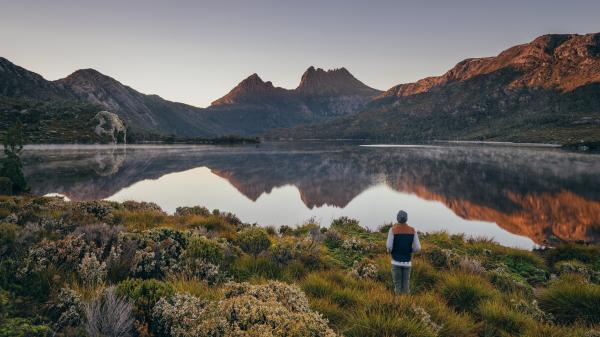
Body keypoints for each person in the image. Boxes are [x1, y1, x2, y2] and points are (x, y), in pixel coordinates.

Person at [386, 210, 420, 294]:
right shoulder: (412, 230)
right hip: (407, 262)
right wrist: (410, 250)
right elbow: (418, 248)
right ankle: (406, 304)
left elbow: (389, 247)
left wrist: (390, 251)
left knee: (397, 286)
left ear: (397, 218)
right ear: (406, 218)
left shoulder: (392, 230)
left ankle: (399, 305)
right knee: (406, 286)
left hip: (396, 262)